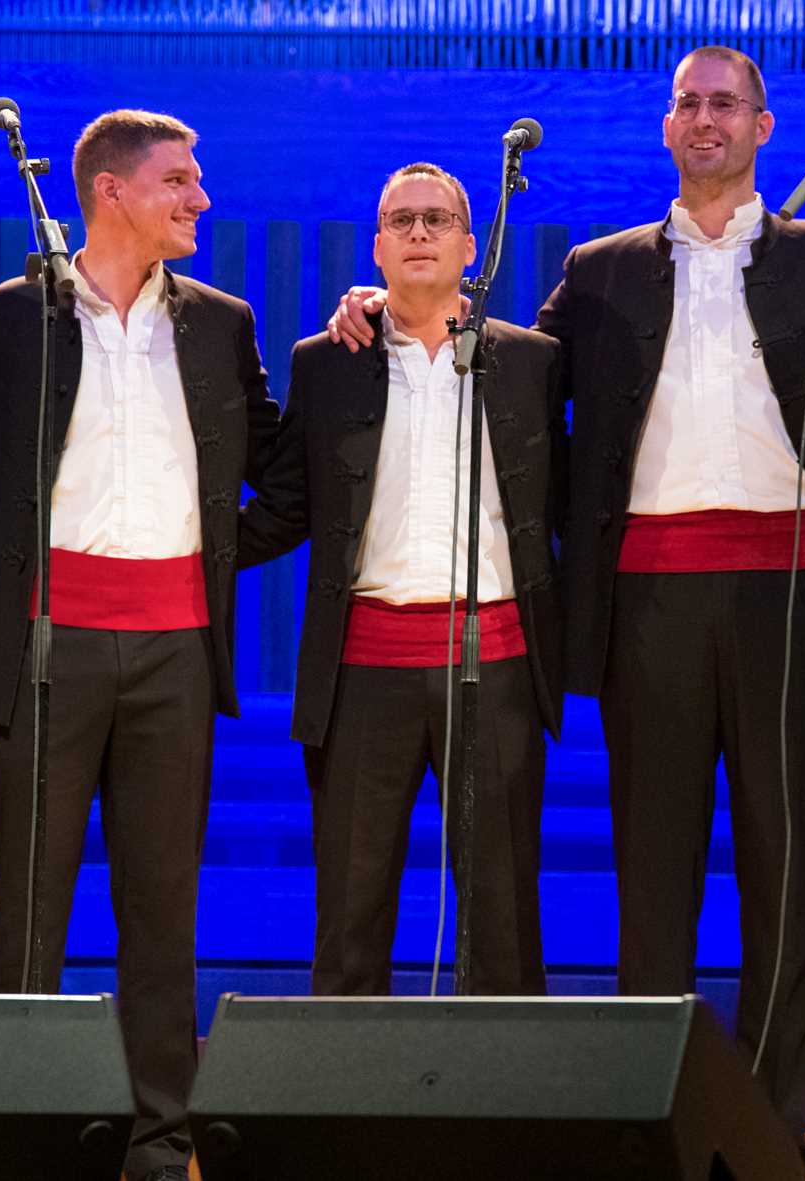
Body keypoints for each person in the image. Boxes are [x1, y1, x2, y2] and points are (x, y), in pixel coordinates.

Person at [328, 46, 805, 1128]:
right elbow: (491, 362)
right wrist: (386, 299)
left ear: (762, 126)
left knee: (783, 870)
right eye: (687, 103)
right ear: (665, 127)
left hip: (789, 595)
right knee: (652, 873)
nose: (705, 119)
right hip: (647, 601)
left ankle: (768, 1120)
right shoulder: (599, 270)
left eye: (725, 104)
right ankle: (659, 1116)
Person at [0, 109, 279, 1181]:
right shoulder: (9, 318)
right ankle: (18, 1126)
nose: (199, 198)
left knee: (161, 907)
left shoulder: (221, 322)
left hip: (176, 649)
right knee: (26, 903)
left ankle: (158, 1136)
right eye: (178, 180)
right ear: (110, 190)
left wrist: (216, 554)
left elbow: (286, 468)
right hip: (48, 647)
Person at [238, 162, 565, 996]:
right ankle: (348, 1083)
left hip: (494, 668)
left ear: (470, 245)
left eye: (437, 220)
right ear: (377, 247)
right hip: (361, 675)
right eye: (401, 221)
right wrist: (188, 548)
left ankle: (505, 1079)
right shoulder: (327, 362)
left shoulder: (531, 362)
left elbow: (570, 499)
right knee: (350, 915)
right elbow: (287, 505)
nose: (419, 233)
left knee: (503, 920)